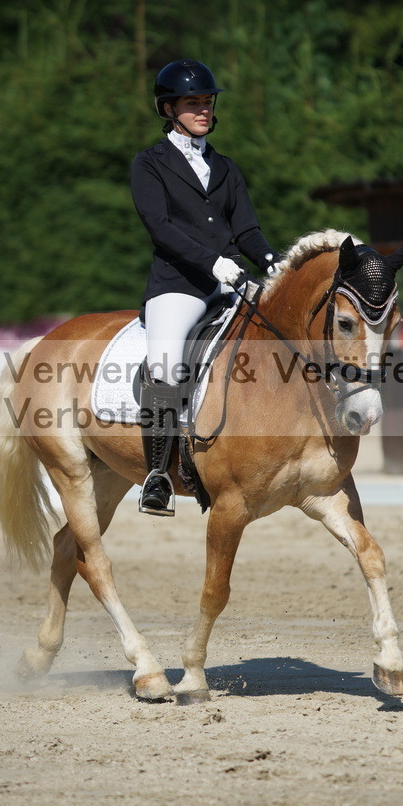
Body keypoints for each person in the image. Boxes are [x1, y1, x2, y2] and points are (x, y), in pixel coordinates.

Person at [130, 59, 278, 514]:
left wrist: (273, 264)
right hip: (179, 285)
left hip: (229, 281)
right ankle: (158, 475)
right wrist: (214, 263)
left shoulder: (225, 167)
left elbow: (247, 231)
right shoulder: (149, 164)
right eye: (192, 103)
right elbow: (161, 228)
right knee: (166, 364)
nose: (203, 110)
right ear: (168, 109)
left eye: (207, 102)